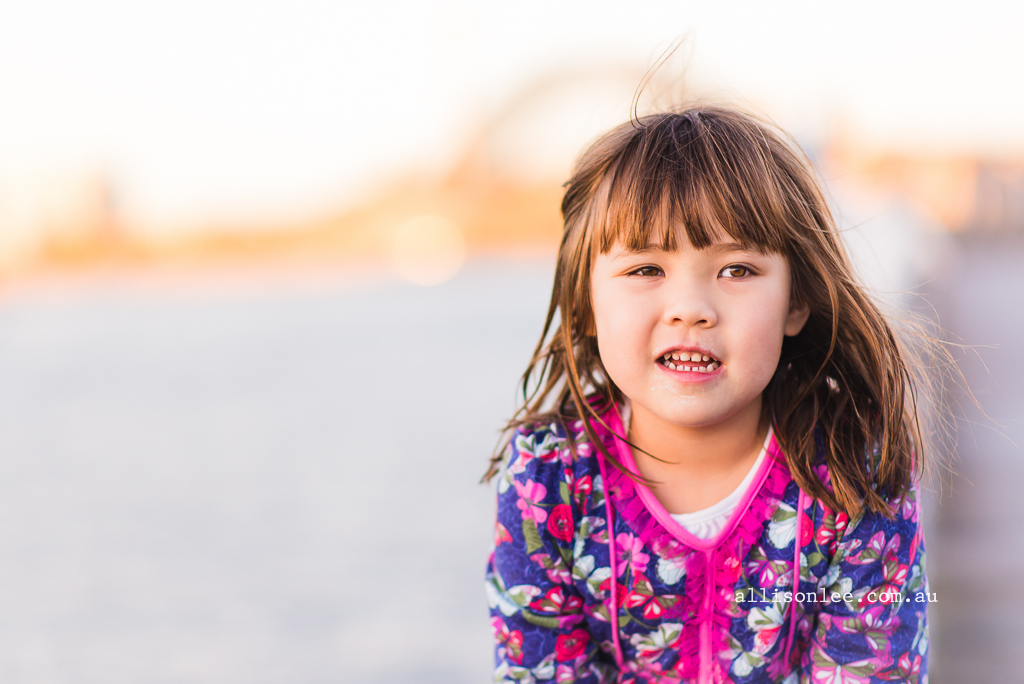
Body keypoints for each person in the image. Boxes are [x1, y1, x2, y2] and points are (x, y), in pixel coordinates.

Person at [483, 106, 932, 684]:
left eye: (737, 270)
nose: (690, 307)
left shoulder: (854, 470)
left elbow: (875, 667)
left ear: (796, 301)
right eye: (645, 268)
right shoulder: (547, 480)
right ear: (586, 303)